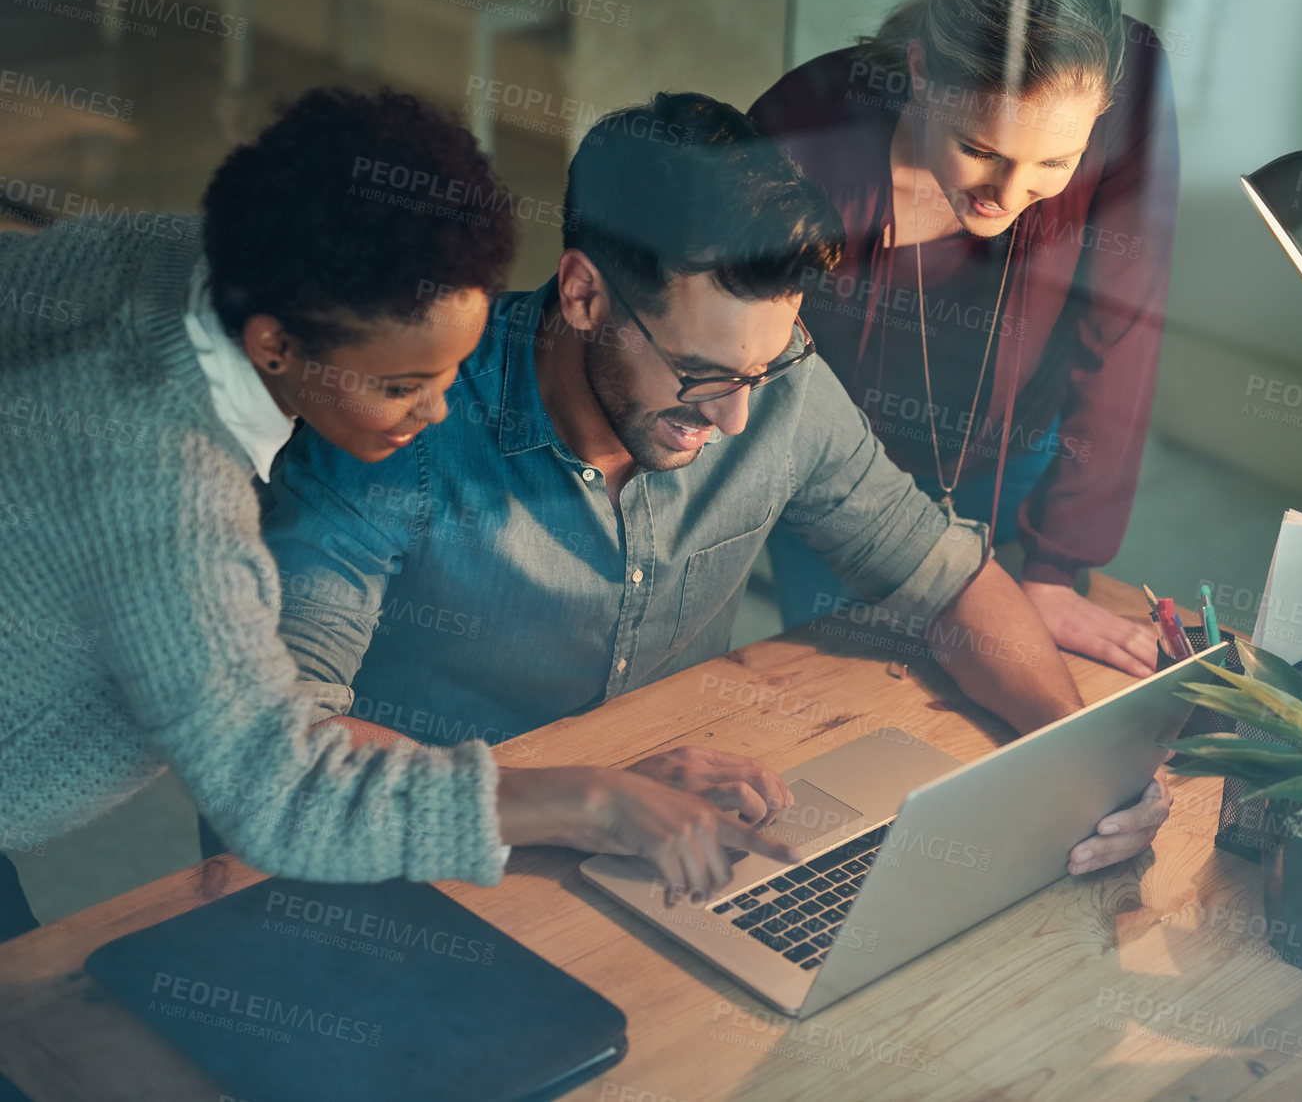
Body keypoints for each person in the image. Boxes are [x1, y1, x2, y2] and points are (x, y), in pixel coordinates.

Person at [261, 91, 1174, 890]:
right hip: (413, 870)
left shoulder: (772, 384)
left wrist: (1079, 759)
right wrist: (587, 797)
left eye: (761, 369)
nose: (737, 421)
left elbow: (947, 580)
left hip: (656, 852)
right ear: (583, 296)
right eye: (699, 374)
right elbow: (283, 748)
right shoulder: (396, 424)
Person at [0, 87, 794, 947]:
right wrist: (588, 799)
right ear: (274, 345)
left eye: (451, 369)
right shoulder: (168, 497)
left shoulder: (174, 255)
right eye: (399, 386)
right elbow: (282, 796)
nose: (438, 411)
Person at [750, 0, 1179, 679]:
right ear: (920, 70)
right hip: (839, 477)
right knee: (842, 704)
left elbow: (1121, 334)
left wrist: (1053, 567)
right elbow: (747, 359)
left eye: (1052, 163)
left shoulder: (1131, 83)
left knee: (990, 704)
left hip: (1016, 454)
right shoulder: (802, 126)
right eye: (979, 149)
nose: (1006, 197)